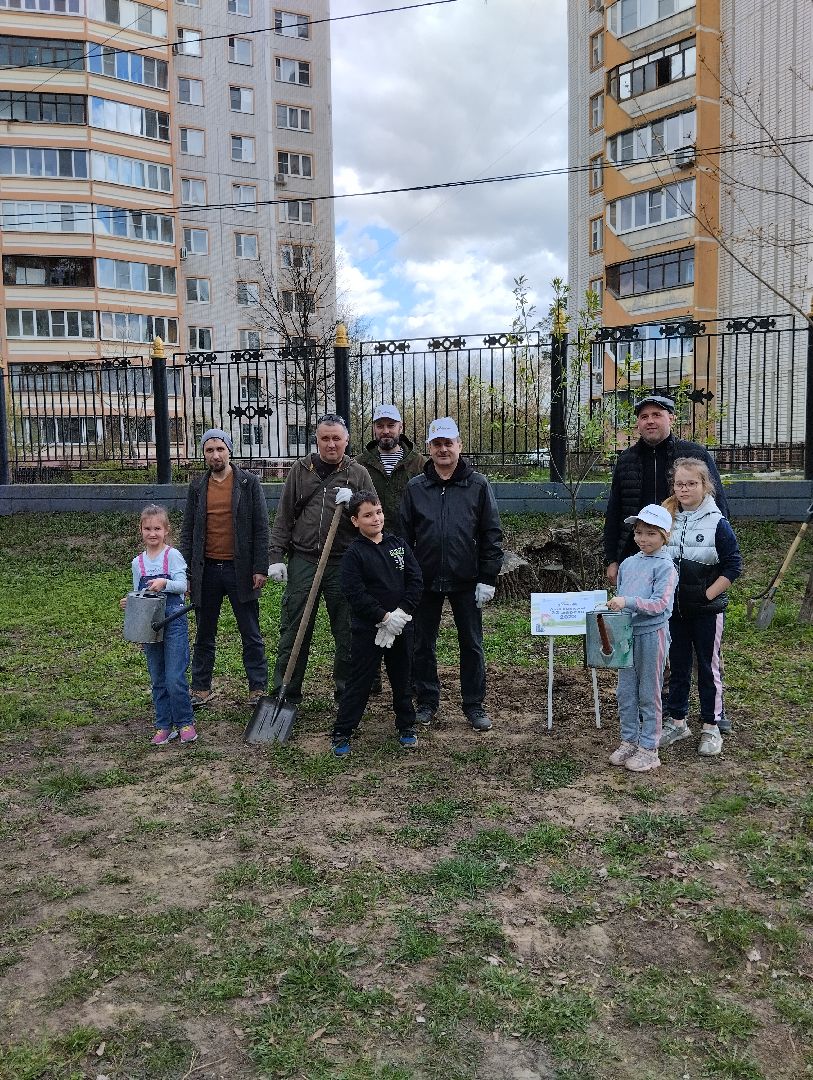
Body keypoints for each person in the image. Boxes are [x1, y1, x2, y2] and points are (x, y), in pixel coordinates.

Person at [399, 417, 504, 732]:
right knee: (422, 644)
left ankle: (474, 704)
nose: (443, 449)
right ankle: (427, 701)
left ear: (459, 445)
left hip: (466, 580)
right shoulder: (416, 487)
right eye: (437, 444)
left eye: (448, 443)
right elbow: (403, 538)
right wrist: (405, 576)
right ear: (429, 448)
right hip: (425, 580)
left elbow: (491, 534)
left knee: (471, 644)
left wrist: (487, 577)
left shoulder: (478, 485)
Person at [267, 413, 374, 708]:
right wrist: (276, 556)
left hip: (344, 563)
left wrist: (355, 503)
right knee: (294, 629)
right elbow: (284, 516)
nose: (331, 444)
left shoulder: (358, 473)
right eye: (325, 438)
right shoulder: (301, 470)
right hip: (304, 560)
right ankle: (286, 694)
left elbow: (374, 519)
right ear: (316, 440)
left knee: (347, 631)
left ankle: (346, 695)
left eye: (336, 438)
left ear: (346, 440)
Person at [179, 428, 269, 708]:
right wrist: (186, 573)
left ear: (229, 451)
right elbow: (188, 531)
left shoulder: (248, 483)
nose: (215, 455)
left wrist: (260, 567)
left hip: (240, 570)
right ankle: (200, 688)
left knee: (250, 632)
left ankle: (257, 688)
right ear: (204, 454)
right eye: (209, 450)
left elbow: (261, 527)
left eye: (220, 449)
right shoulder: (197, 487)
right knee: (204, 633)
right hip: (206, 571)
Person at [659, 458, 742, 757]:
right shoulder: (667, 519)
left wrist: (708, 595)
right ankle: (677, 722)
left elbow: (733, 566)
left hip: (706, 612)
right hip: (675, 612)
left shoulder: (718, 523)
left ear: (705, 486)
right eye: (679, 484)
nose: (684, 489)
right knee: (678, 667)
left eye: (691, 483)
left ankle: (711, 726)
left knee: (708, 668)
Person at [331, 490, 423, 758]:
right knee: (359, 681)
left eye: (379, 512)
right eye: (368, 515)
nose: (376, 519)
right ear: (355, 521)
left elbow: (415, 580)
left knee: (402, 678)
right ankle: (343, 731)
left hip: (401, 627)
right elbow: (354, 592)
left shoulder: (398, 545)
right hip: (368, 630)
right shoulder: (354, 554)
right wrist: (383, 618)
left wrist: (400, 615)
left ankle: (406, 725)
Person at [603, 394, 729, 584]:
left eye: (656, 415)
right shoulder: (626, 460)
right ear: (638, 423)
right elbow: (614, 511)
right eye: (644, 417)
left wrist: (721, 551)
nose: (650, 421)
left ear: (671, 418)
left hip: (684, 552)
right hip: (637, 552)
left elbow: (718, 505)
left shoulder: (695, 454)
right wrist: (612, 559)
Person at [355, 403, 426, 694]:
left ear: (401, 428)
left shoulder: (418, 463)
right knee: (372, 609)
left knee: (407, 612)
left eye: (391, 425)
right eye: (380, 426)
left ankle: (408, 676)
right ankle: (371, 676)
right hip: (371, 549)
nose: (386, 431)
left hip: (406, 547)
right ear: (374, 429)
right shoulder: (360, 464)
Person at [607, 504, 678, 773]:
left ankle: (649, 747)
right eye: (638, 532)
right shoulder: (628, 564)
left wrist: (627, 602)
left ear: (664, 535)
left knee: (649, 691)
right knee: (625, 691)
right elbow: (622, 597)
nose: (642, 539)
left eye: (650, 533)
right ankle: (629, 740)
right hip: (627, 635)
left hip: (652, 634)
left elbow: (660, 604)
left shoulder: (666, 567)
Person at [121, 504, 197, 745]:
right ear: (141, 530)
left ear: (166, 530)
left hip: (173, 620)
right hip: (150, 624)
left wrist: (165, 583)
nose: (152, 533)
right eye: (147, 529)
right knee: (158, 677)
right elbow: (140, 593)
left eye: (157, 529)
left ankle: (185, 722)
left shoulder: (172, 556)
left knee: (174, 676)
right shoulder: (138, 563)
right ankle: (164, 725)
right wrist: (130, 602)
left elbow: (182, 586)